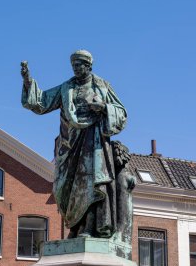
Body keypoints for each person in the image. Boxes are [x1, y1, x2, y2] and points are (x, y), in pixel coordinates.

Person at [21, 50, 128, 239]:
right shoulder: (66, 88)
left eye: (79, 65)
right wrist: (28, 81)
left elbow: (121, 113)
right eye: (74, 66)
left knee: (90, 184)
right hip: (69, 145)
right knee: (65, 187)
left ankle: (87, 227)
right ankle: (75, 227)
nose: (76, 69)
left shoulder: (102, 86)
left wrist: (103, 108)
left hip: (93, 143)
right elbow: (42, 102)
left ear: (89, 66)